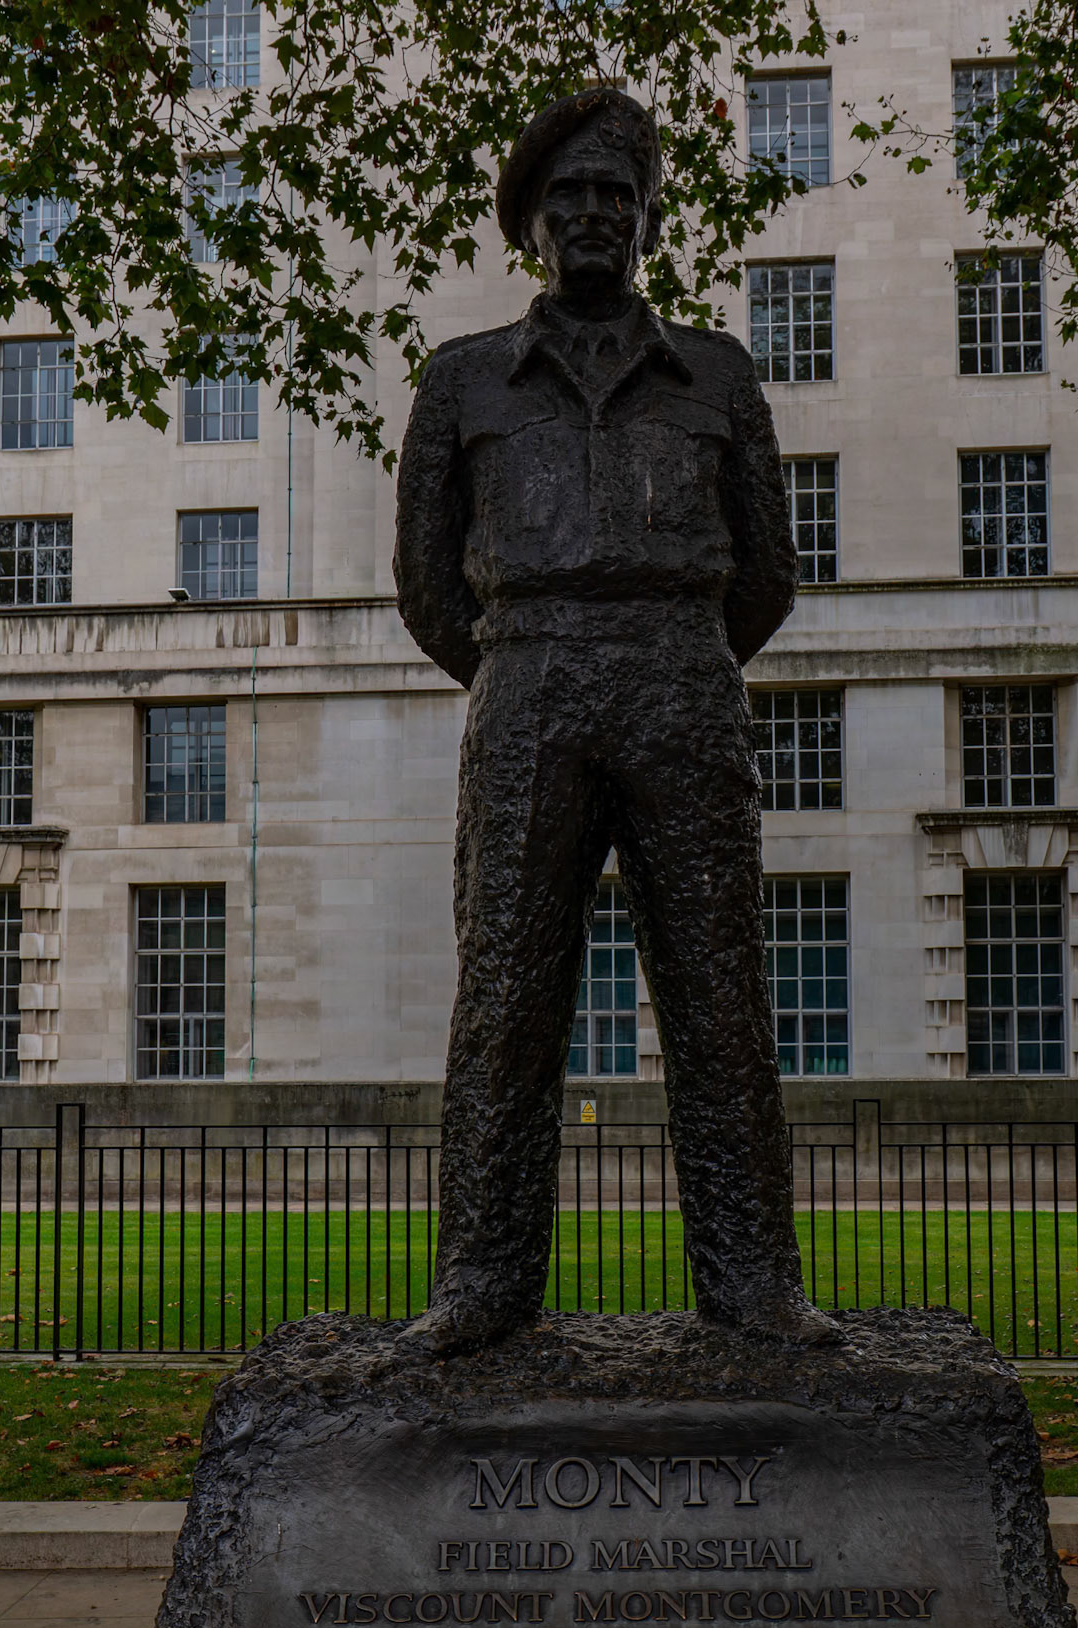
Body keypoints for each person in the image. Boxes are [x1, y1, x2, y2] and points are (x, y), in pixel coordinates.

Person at [392, 86, 838, 1353]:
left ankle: (752, 1282)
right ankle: (481, 1286)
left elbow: (767, 572)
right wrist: (524, 655)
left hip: (680, 682)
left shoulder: (717, 374)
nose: (593, 215)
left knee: (717, 993)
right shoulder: (463, 382)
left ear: (646, 220)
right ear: (533, 219)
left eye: (617, 196)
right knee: (506, 997)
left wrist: (673, 648)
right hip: (528, 682)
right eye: (569, 195)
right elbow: (428, 591)